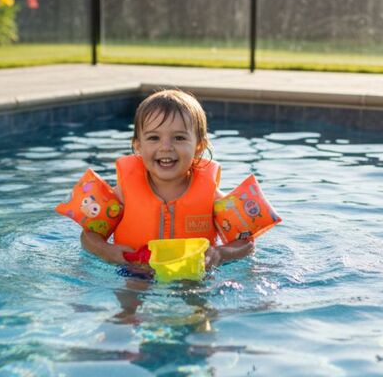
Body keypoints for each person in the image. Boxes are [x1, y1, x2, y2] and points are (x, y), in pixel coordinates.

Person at [80, 89, 254, 273]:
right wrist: (107, 251)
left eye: (179, 138)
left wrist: (219, 254)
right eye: (154, 138)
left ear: (199, 146)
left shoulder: (211, 196)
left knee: (195, 296)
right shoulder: (123, 193)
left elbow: (245, 241)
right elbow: (88, 235)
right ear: (138, 146)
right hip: (135, 271)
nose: (166, 147)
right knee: (131, 294)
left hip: (192, 274)